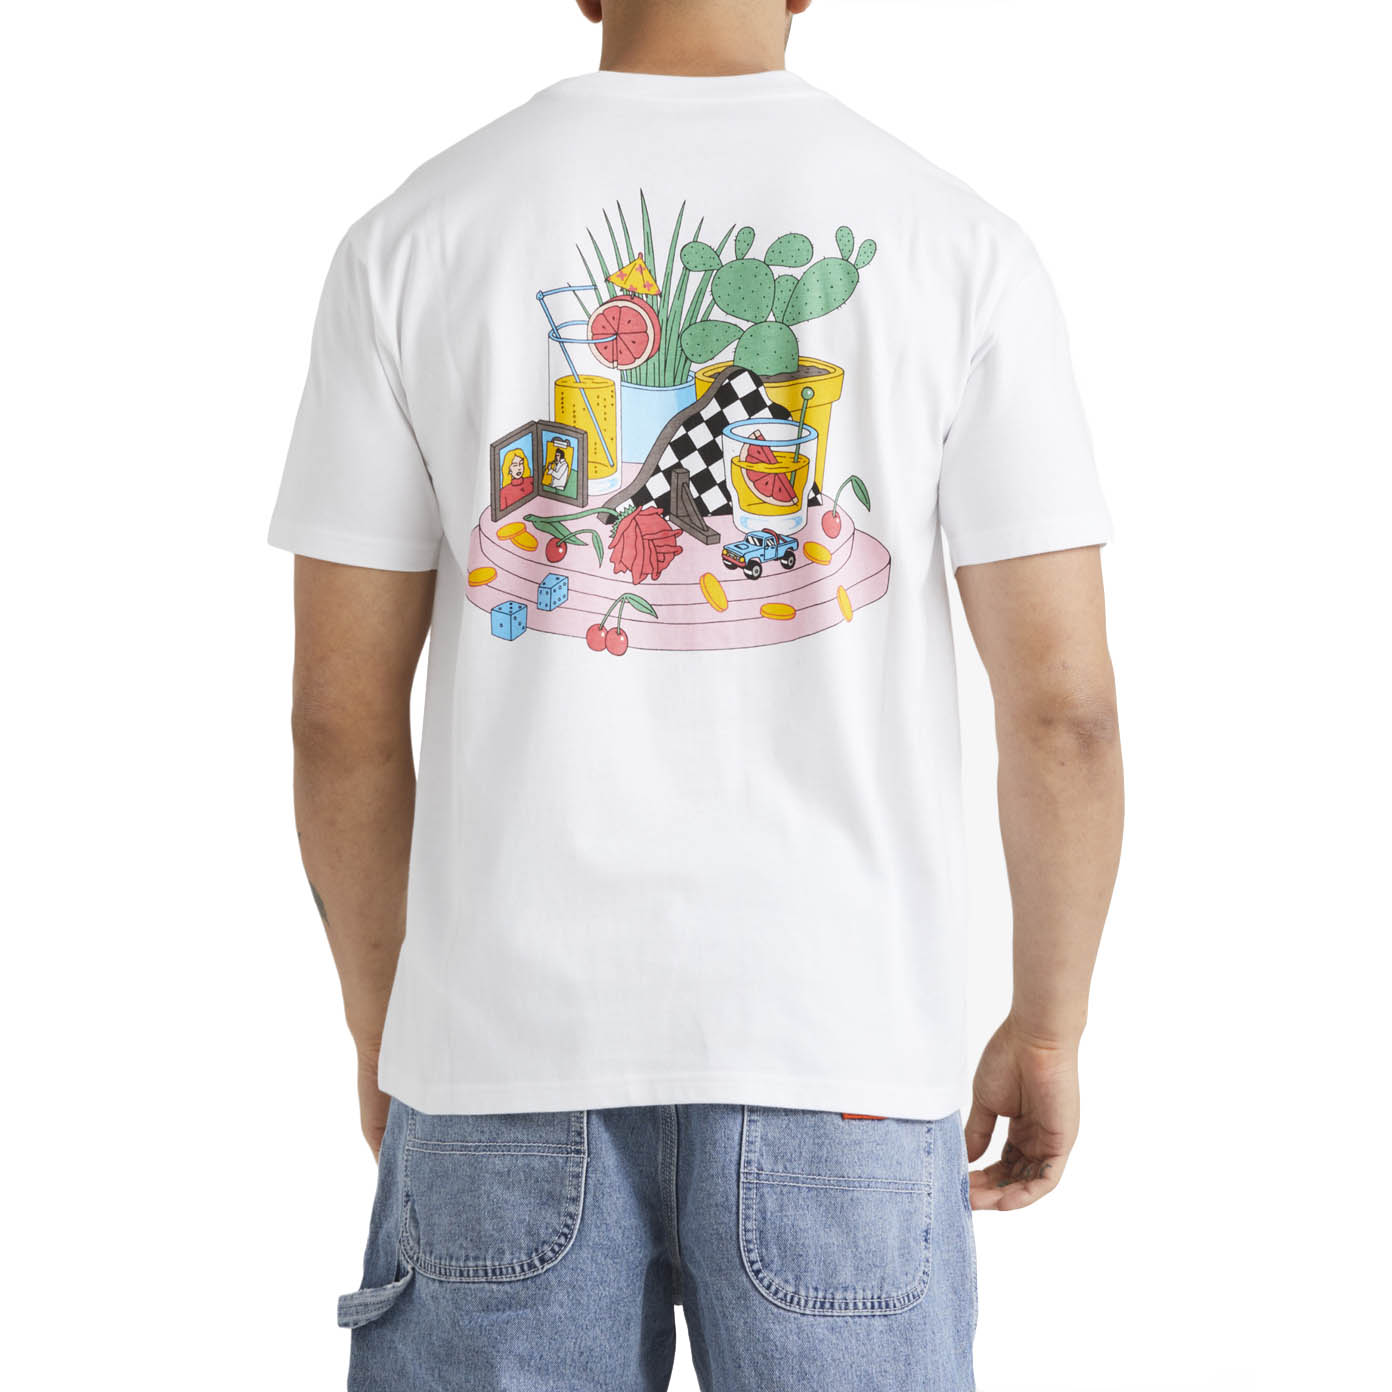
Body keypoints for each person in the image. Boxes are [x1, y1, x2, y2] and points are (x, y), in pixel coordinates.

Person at [269, 1, 1123, 1386]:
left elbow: (338, 721)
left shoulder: (413, 238)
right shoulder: (961, 245)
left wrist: (393, 1022)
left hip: (500, 1048)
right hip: (843, 1049)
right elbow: (1065, 715)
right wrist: (1048, 1021)